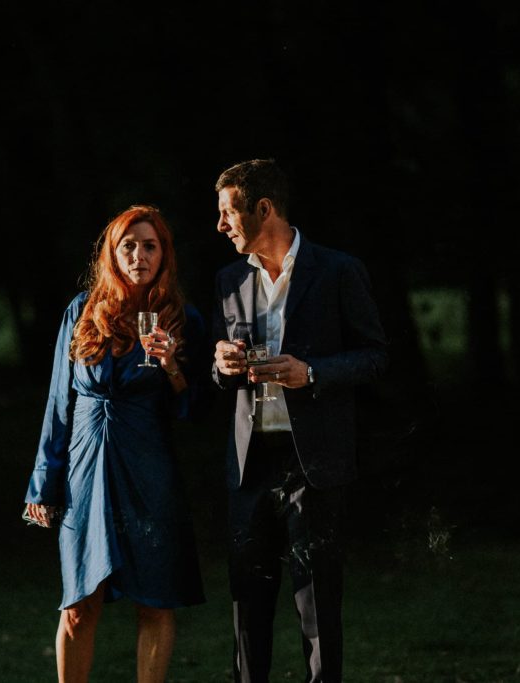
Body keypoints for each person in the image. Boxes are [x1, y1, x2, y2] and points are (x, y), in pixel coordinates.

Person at [211, 159, 388, 682]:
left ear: (263, 208)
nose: (221, 225)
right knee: (247, 607)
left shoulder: (338, 270)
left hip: (314, 464)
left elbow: (375, 356)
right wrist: (221, 365)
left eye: (228, 212)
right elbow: (221, 371)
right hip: (250, 464)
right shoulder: (227, 279)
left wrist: (309, 372)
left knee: (317, 608)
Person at [24, 205, 205, 683]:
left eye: (150, 246)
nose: (139, 255)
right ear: (112, 252)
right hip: (84, 469)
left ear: (164, 254)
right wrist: (43, 480)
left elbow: (197, 409)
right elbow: (58, 403)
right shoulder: (81, 310)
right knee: (79, 604)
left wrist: (171, 365)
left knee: (155, 600)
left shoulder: (182, 319)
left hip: (148, 469)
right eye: (129, 245)